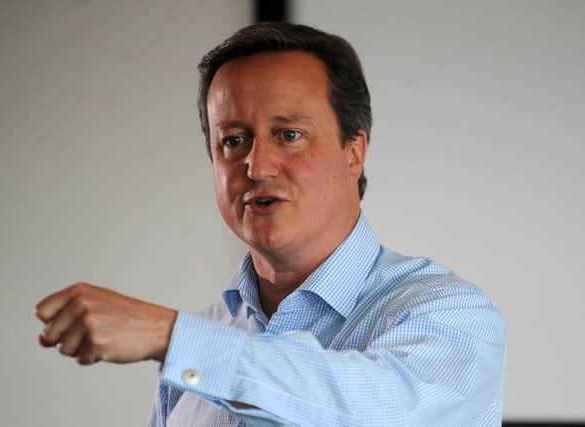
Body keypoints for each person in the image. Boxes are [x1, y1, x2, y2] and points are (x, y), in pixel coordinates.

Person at [35, 22, 506, 426]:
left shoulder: (450, 315)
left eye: (289, 135)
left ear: (354, 152)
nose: (257, 166)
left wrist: (173, 338)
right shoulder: (201, 340)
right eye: (234, 140)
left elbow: (378, 410)